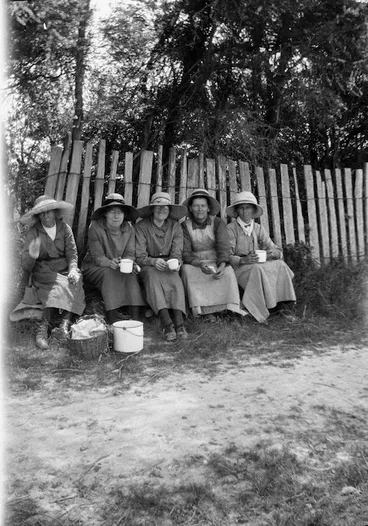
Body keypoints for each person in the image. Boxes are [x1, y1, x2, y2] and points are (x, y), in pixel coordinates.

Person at [18, 195, 86, 349]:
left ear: (55, 212)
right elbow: (26, 265)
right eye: (41, 213)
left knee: (76, 281)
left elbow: (72, 254)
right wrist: (32, 255)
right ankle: (43, 328)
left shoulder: (65, 228)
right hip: (43, 270)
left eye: (48, 211)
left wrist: (73, 270)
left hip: (64, 268)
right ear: (37, 215)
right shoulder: (33, 232)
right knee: (56, 285)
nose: (45, 215)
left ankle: (64, 325)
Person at [226, 191, 296, 323]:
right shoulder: (231, 229)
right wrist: (242, 260)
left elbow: (272, 247)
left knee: (280, 265)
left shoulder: (258, 228)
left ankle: (283, 307)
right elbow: (226, 255)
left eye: (248, 207)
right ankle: (260, 312)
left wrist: (274, 253)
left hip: (257, 265)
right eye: (241, 207)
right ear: (236, 211)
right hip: (239, 268)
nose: (245, 211)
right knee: (257, 270)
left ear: (253, 210)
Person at [180, 189, 245, 321]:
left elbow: (223, 246)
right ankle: (202, 311)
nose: (200, 209)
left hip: (216, 260)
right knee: (187, 271)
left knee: (228, 272)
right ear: (191, 208)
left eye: (203, 206)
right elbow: (185, 252)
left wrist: (222, 264)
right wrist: (199, 263)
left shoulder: (218, 222)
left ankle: (229, 309)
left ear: (208, 208)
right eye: (196, 206)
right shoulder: (184, 226)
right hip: (195, 262)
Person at [82, 193, 146, 325]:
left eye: (120, 212)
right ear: (105, 213)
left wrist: (127, 263)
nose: (116, 216)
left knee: (131, 275)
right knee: (109, 273)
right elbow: (97, 257)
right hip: (95, 267)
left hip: (118, 265)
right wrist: (109, 262)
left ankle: (135, 320)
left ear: (124, 215)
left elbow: (129, 253)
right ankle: (113, 318)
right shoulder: (95, 227)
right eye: (112, 212)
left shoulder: (129, 229)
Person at [135, 192, 188, 342]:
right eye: (158, 206)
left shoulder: (175, 226)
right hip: (148, 265)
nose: (162, 209)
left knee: (175, 279)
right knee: (152, 277)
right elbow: (140, 256)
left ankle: (180, 324)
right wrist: (153, 262)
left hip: (168, 264)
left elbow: (177, 252)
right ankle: (167, 323)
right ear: (152, 209)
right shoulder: (141, 226)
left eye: (166, 207)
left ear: (170, 210)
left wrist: (176, 263)